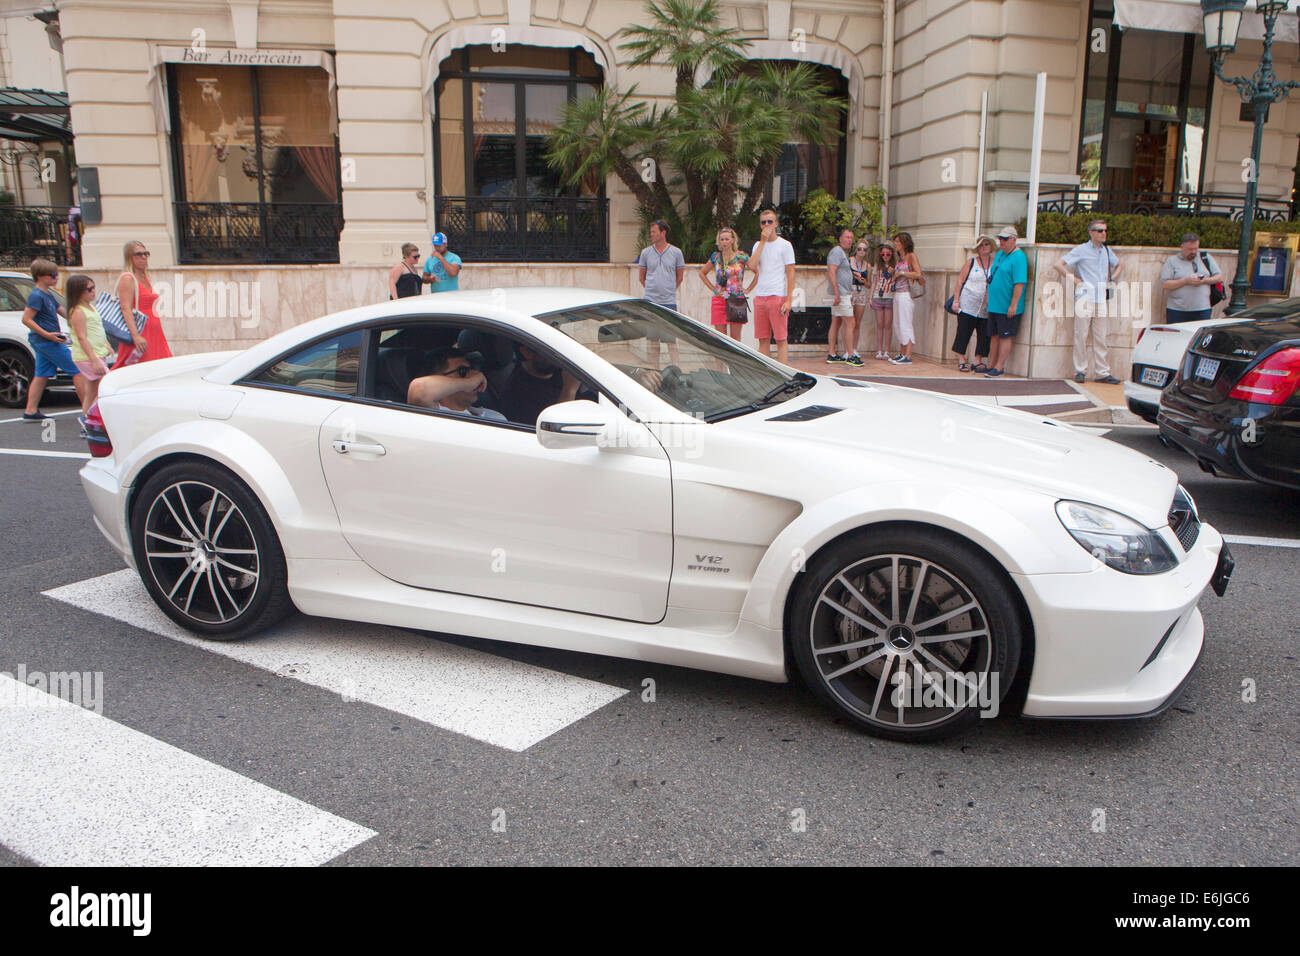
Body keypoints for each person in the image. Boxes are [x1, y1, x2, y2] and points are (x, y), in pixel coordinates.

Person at [1054, 218, 1121, 384]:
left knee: (1101, 337)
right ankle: (1080, 370)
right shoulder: (1082, 250)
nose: (1103, 233)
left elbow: (1119, 264)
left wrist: (1111, 279)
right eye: (1099, 230)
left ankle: (1102, 372)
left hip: (1100, 298)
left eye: (1105, 230)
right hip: (1085, 297)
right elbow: (1059, 264)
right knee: (1081, 335)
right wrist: (1075, 279)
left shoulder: (1106, 250)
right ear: (1091, 232)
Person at [19, 258, 83, 423]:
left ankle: (31, 410)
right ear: (40, 276)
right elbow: (26, 319)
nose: (56, 278)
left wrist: (81, 319)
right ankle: (88, 409)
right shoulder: (37, 295)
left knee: (41, 374)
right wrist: (48, 335)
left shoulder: (47, 294)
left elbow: (62, 311)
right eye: (52, 275)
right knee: (77, 370)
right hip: (47, 341)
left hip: (46, 340)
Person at [406, 347, 507, 421]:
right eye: (463, 371)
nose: (474, 375)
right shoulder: (433, 415)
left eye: (472, 368)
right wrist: (468, 383)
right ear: (438, 377)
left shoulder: (494, 416)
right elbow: (419, 390)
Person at [749, 207, 797, 365]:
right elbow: (752, 265)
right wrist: (763, 241)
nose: (767, 224)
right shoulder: (758, 245)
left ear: (776, 223)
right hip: (761, 297)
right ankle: (766, 372)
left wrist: (789, 300)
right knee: (763, 338)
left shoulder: (785, 245)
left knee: (781, 338)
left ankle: (783, 371)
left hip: (777, 296)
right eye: (763, 222)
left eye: (770, 221)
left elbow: (790, 272)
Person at [115, 240, 173, 367]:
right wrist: (135, 336)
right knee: (139, 368)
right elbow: (125, 308)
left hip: (154, 330)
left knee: (159, 367)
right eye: (139, 254)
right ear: (130, 258)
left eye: (146, 253)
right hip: (141, 331)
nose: (143, 257)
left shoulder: (144, 277)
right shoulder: (128, 278)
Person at [65, 273, 113, 422]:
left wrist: (107, 344)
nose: (93, 291)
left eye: (93, 288)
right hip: (88, 356)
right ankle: (95, 418)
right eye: (89, 289)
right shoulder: (78, 311)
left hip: (96, 353)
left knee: (92, 391)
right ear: (78, 292)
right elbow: (82, 337)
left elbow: (97, 329)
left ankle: (86, 419)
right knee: (106, 385)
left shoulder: (90, 308)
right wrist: (94, 360)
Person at [501, 343, 581, 425]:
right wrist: (569, 390)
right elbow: (553, 429)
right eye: (550, 351)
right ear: (527, 353)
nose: (558, 356)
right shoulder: (516, 393)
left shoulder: (557, 370)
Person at [985, 225, 1028, 378]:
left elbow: (1019, 283)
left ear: (1013, 239)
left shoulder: (1019, 258)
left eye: (1004, 239)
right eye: (1000, 239)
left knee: (1005, 336)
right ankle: (991, 363)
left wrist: (1013, 304)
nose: (1001, 242)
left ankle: (999, 366)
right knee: (994, 335)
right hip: (995, 304)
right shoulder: (1000, 255)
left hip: (1007, 306)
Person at [699, 226, 753, 342]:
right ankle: (720, 361)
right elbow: (702, 273)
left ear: (733, 240)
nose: (724, 242)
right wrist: (714, 289)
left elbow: (757, 271)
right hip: (720, 298)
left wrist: (748, 289)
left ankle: (735, 360)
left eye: (727, 239)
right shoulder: (716, 257)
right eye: (722, 239)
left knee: (735, 338)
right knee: (719, 338)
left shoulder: (741, 256)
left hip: (736, 299)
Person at [951, 236, 995, 372]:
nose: (984, 247)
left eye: (987, 244)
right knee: (964, 331)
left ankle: (978, 360)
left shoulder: (995, 264)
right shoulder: (971, 262)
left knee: (984, 334)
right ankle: (962, 359)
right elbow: (960, 281)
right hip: (968, 303)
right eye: (981, 245)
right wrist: (956, 300)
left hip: (984, 306)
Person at [1161, 233, 1224, 325]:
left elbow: (1219, 277)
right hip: (1177, 310)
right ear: (1182, 247)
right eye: (1190, 249)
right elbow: (1165, 284)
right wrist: (1186, 281)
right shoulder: (1172, 261)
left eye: (1196, 248)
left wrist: (1204, 281)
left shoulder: (1205, 258)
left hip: (1202, 310)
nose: (1194, 252)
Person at [826, 228, 861, 366]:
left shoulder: (842, 254)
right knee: (850, 322)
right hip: (840, 294)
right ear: (840, 239)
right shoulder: (836, 252)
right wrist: (837, 293)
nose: (849, 240)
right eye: (847, 237)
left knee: (836, 322)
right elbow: (832, 272)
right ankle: (850, 355)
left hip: (842, 293)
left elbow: (839, 272)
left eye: (851, 238)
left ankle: (832, 353)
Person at [889, 232, 924, 365]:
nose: (895, 244)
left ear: (904, 243)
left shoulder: (911, 256)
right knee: (898, 323)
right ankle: (902, 352)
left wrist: (902, 273)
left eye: (897, 241)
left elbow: (918, 273)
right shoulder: (900, 258)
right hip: (897, 293)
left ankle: (908, 354)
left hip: (906, 294)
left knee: (905, 323)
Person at [638, 220, 686, 310]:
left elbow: (680, 277)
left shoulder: (676, 253)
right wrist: (651, 289)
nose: (651, 234)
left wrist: (669, 290)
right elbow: (641, 277)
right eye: (651, 232)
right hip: (650, 300)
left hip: (669, 302)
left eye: (654, 232)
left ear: (663, 233)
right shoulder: (645, 253)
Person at [869, 241, 896, 359]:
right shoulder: (877, 265)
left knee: (888, 325)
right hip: (878, 296)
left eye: (888, 254)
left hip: (890, 296)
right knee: (879, 324)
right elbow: (874, 281)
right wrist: (870, 297)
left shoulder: (895, 266)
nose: (885, 256)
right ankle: (879, 350)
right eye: (883, 254)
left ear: (892, 254)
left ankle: (887, 351)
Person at [849, 239, 871, 358]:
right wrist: (853, 275)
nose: (862, 251)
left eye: (864, 249)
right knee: (849, 322)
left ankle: (854, 348)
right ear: (856, 249)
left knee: (857, 322)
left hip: (861, 291)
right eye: (859, 249)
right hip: (850, 290)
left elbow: (869, 284)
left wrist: (863, 280)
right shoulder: (849, 261)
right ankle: (848, 349)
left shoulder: (868, 265)